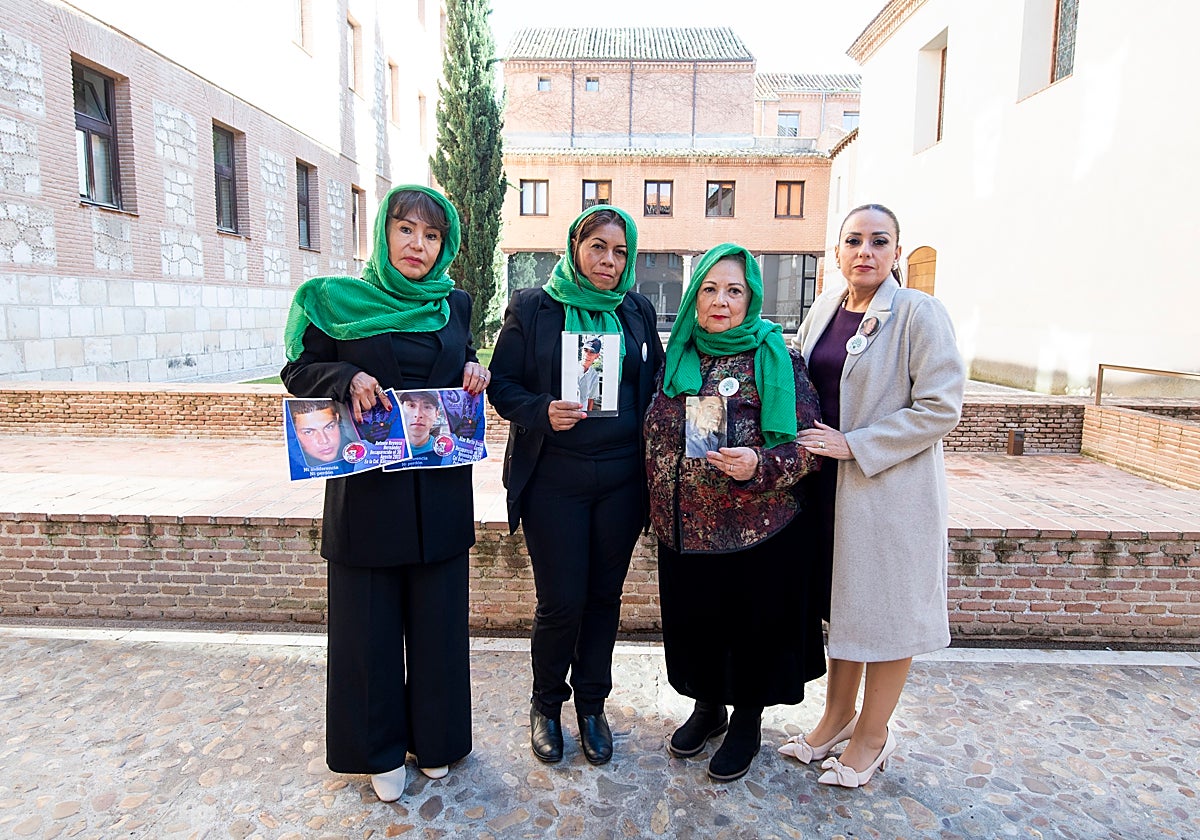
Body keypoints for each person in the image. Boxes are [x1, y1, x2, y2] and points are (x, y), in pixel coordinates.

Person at [280, 184, 491, 803]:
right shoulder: (336, 301)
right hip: (368, 497)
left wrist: (474, 369)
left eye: (432, 235)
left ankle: (437, 740)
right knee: (367, 630)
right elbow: (298, 369)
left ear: (444, 245)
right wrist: (346, 375)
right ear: (383, 233)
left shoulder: (455, 303)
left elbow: (461, 361)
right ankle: (376, 750)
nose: (418, 245)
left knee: (439, 625)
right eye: (406, 230)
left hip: (439, 493)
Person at [778, 204, 965, 788]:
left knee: (885, 613)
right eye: (853, 241)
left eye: (878, 241)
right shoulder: (826, 308)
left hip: (888, 492)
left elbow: (941, 408)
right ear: (836, 252)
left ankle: (873, 735)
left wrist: (853, 443)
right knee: (848, 608)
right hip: (829, 489)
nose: (865, 252)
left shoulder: (918, 313)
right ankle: (836, 718)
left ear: (896, 252)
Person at [487, 205, 664, 766]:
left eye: (619, 251)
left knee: (602, 600)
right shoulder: (535, 308)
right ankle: (545, 705)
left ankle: (592, 705)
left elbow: (656, 383)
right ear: (575, 246)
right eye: (597, 248)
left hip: (620, 483)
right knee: (560, 602)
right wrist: (540, 410)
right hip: (555, 482)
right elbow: (502, 386)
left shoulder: (637, 310)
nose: (608, 261)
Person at [644, 243, 826, 782]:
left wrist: (759, 466)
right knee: (697, 627)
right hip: (686, 530)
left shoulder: (777, 357)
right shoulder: (676, 354)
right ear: (693, 294)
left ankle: (746, 721)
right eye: (709, 289)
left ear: (752, 298)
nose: (720, 301)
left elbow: (812, 447)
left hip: (756, 530)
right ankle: (708, 708)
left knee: (752, 631)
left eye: (734, 290)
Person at [290, 400, 356, 465]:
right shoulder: (288, 464)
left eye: (329, 427)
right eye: (308, 432)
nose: (324, 440)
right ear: (293, 432)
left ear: (337, 419)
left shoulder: (358, 453)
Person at [399, 390, 451, 466]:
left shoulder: (445, 452)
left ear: (436, 414)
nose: (418, 414)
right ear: (401, 410)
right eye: (411, 405)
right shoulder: (388, 449)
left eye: (427, 407)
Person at [577, 337, 602, 410]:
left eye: (592, 352)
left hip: (583, 414)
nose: (587, 355)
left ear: (597, 356)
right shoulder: (571, 368)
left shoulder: (594, 376)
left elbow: (591, 399)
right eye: (585, 350)